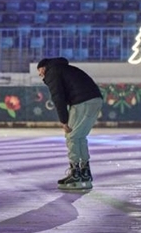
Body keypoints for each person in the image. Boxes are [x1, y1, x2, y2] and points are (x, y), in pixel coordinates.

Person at [37, 57, 103, 190]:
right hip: (95, 99)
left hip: (82, 101)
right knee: (80, 137)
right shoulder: (65, 69)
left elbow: (58, 97)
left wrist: (64, 121)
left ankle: (75, 174)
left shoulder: (52, 72)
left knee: (71, 136)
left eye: (40, 73)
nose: (40, 76)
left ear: (44, 68)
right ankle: (85, 172)